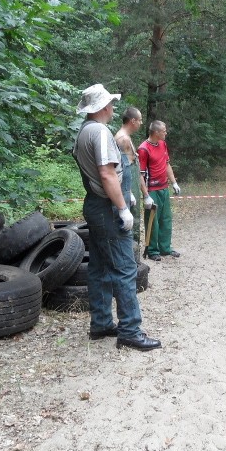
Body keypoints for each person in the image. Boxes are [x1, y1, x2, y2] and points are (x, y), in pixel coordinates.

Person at [72, 84, 161, 350]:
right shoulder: (99, 132)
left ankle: (100, 324)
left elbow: (110, 174)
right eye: (110, 103)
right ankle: (130, 331)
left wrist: (125, 195)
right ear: (101, 107)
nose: (113, 108)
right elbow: (107, 174)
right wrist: (122, 207)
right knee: (124, 268)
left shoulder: (85, 131)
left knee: (99, 266)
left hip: (98, 204)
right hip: (107, 208)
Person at [138, 120, 181, 262]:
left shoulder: (163, 144)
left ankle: (165, 248)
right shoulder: (144, 149)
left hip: (164, 188)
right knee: (153, 221)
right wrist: (146, 195)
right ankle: (152, 250)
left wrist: (174, 183)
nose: (166, 133)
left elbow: (166, 164)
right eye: (164, 130)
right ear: (156, 132)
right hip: (152, 190)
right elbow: (140, 174)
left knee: (166, 219)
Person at [114, 107, 145, 256]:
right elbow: (122, 170)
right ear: (132, 121)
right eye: (139, 120)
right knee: (131, 225)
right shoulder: (123, 139)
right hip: (127, 189)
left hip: (130, 188)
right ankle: (132, 259)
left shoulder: (126, 137)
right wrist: (130, 192)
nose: (141, 123)